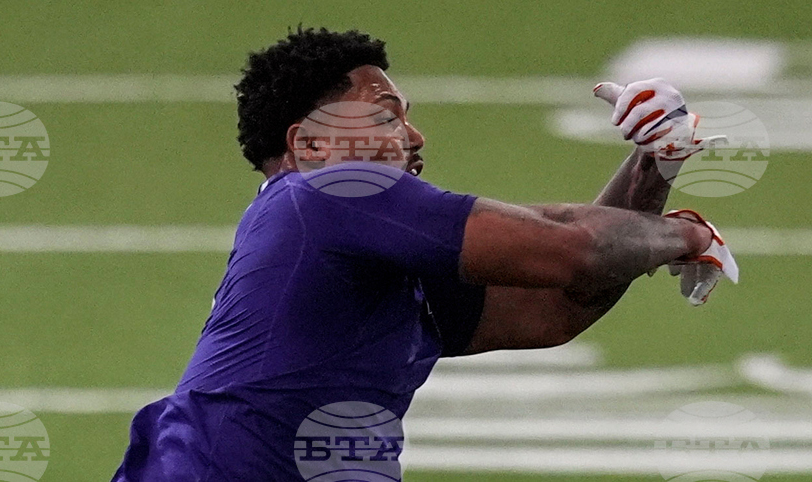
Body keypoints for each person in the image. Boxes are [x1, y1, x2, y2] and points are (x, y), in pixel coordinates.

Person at [112, 27, 735, 481]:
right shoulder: (326, 196)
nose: (413, 136)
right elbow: (574, 250)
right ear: (311, 145)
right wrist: (687, 237)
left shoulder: (358, 247)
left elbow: (556, 307)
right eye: (385, 117)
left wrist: (656, 164)